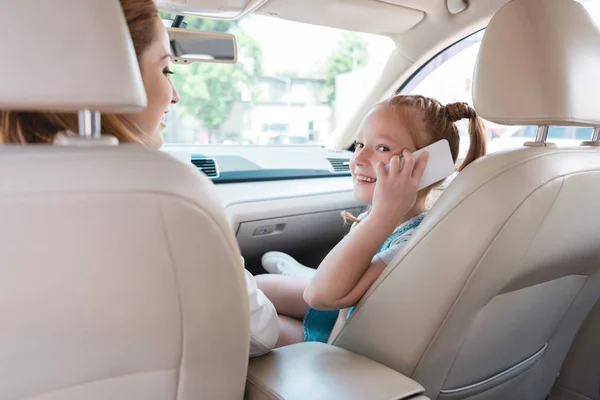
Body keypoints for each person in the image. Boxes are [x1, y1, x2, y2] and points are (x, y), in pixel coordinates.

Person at [0, 0, 278, 358]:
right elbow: (260, 334)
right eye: (167, 71)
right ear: (111, 73)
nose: (175, 96)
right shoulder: (170, 196)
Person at [255, 94, 487, 346]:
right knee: (257, 285)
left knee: (245, 322)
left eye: (382, 148)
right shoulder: (380, 221)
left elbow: (318, 295)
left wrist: (384, 215)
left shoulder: (409, 244)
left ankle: (306, 275)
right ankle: (306, 273)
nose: (357, 159)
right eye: (358, 145)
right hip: (336, 310)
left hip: (334, 345)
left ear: (427, 166)